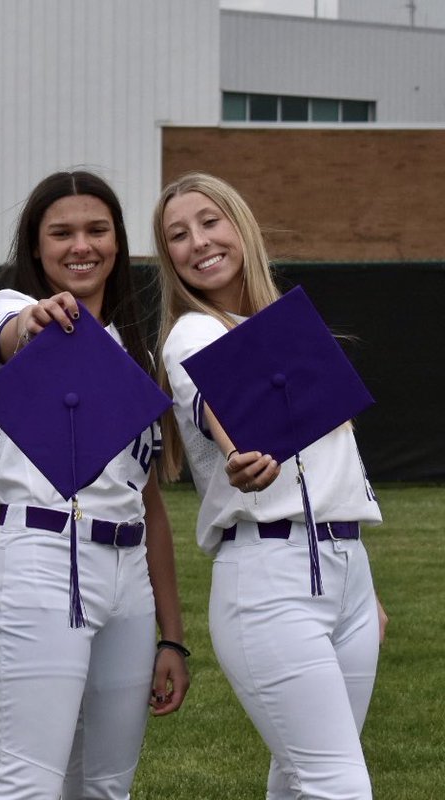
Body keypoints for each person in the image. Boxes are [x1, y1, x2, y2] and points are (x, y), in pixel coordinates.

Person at [154, 172, 384, 799]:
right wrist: (238, 453)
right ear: (167, 255)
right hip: (270, 577)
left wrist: (364, 589)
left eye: (210, 221)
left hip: (346, 570)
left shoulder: (288, 324)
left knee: (299, 777)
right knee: (339, 784)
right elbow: (211, 402)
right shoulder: (193, 332)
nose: (198, 241)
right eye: (177, 234)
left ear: (241, 226)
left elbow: (339, 461)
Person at [0, 171, 189, 799]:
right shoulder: (9, 310)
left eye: (97, 230)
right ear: (36, 248)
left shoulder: (138, 351)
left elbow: (147, 502)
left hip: (128, 579)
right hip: (42, 560)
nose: (80, 246)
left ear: (118, 242)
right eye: (60, 233)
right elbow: (16, 333)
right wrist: (36, 321)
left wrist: (172, 634)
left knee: (106, 788)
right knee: (29, 786)